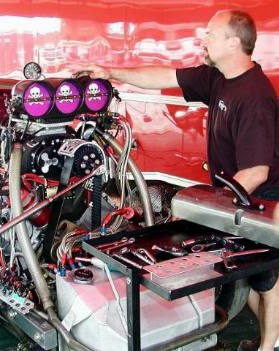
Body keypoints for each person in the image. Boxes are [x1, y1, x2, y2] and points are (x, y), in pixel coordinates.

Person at [85, 9, 279, 351]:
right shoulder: (218, 77)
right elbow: (163, 76)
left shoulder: (255, 97)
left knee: (270, 282)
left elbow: (256, 172)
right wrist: (112, 72)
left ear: (234, 43)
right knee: (250, 275)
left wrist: (207, 210)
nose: (201, 39)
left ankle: (268, 347)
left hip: (262, 200)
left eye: (210, 34)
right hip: (237, 197)